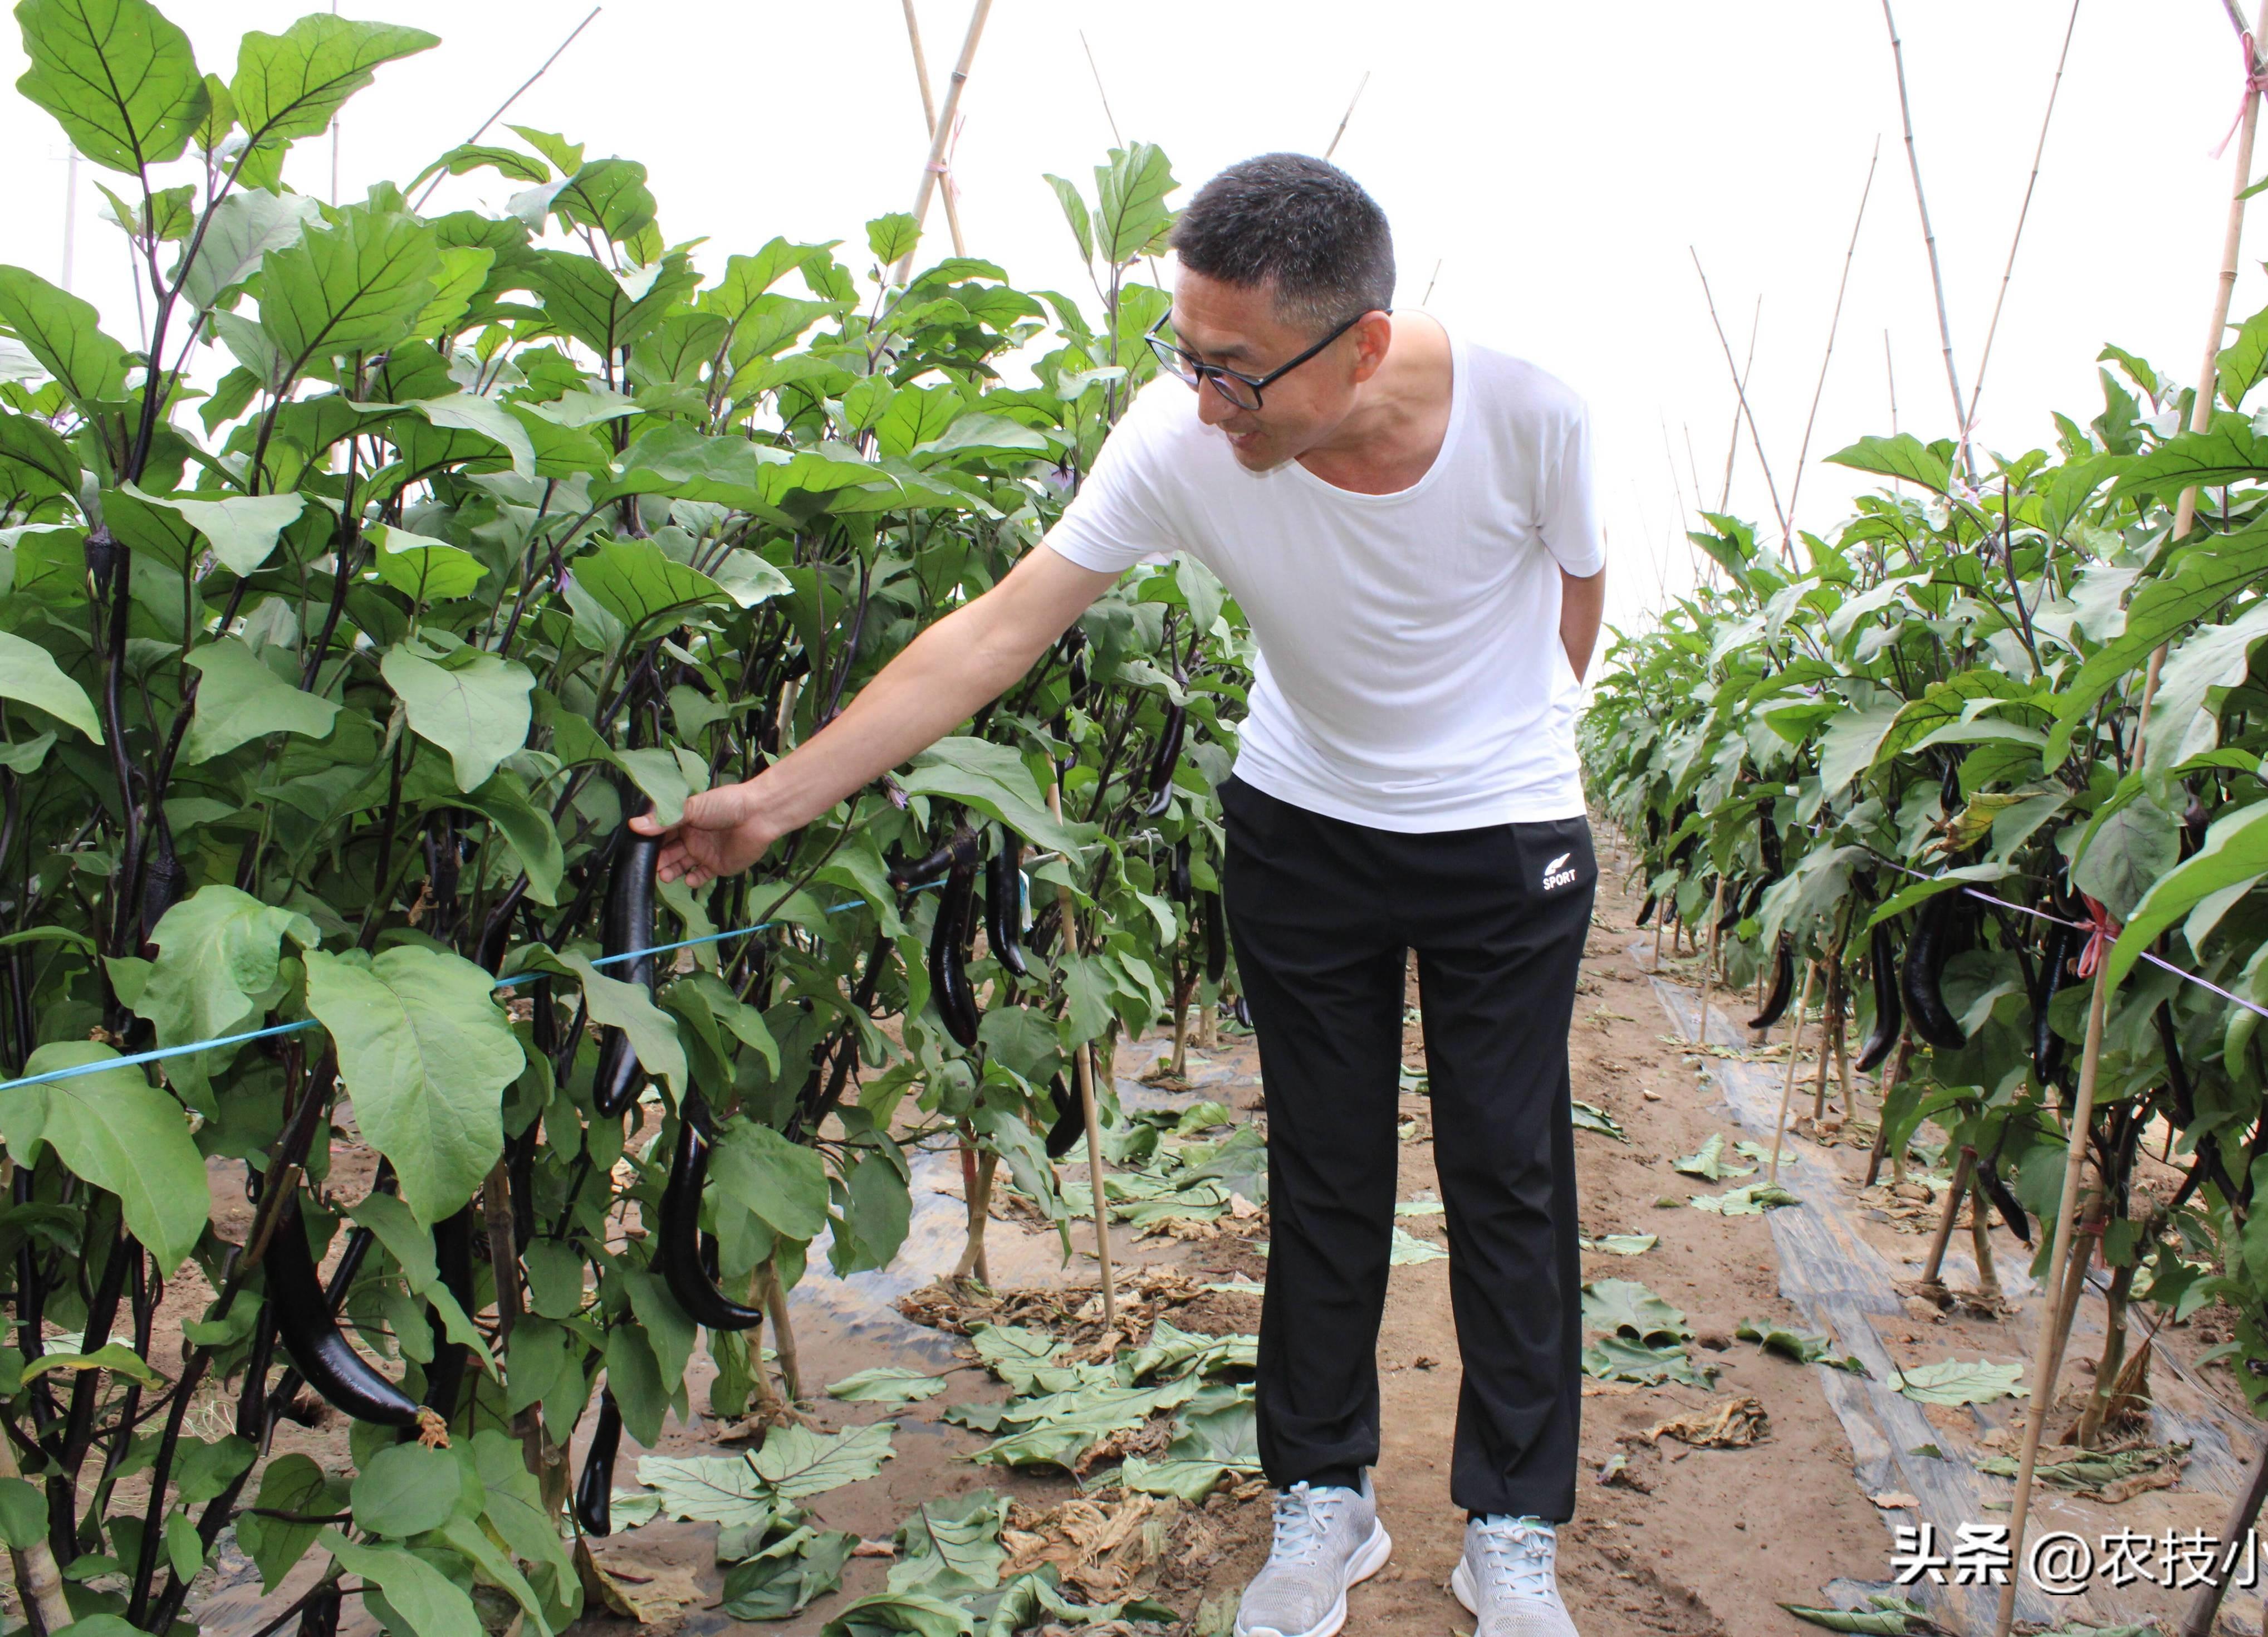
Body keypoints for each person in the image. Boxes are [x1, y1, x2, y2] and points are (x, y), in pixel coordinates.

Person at [641, 153, 1606, 1637]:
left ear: (1355, 346)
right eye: (1187, 352)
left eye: (1234, 368)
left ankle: (1514, 1526)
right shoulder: (1181, 441)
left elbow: (1576, 596)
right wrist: (771, 801)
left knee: (1508, 1175)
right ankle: (1320, 1500)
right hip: (1302, 827)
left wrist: (1502, 739)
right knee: (1326, 1173)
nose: (1205, 396)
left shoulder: (1531, 416)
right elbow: (993, 635)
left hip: (1503, 840)